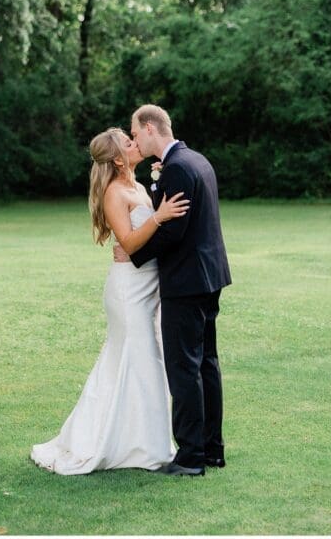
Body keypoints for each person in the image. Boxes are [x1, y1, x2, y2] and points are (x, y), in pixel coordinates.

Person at [30, 127, 190, 475]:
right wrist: (160, 216)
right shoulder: (114, 192)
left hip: (149, 287)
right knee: (141, 360)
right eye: (129, 143)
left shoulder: (138, 185)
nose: (136, 144)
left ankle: (139, 442)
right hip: (128, 291)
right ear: (118, 158)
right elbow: (130, 244)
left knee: (137, 363)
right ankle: (144, 449)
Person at [116, 104, 232, 477]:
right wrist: (157, 183)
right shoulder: (195, 160)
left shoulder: (178, 168)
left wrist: (133, 251)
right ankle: (212, 449)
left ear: (150, 128)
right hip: (209, 276)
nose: (134, 140)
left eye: (135, 134)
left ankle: (190, 457)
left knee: (183, 367)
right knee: (206, 364)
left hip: (185, 282)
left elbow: (172, 230)